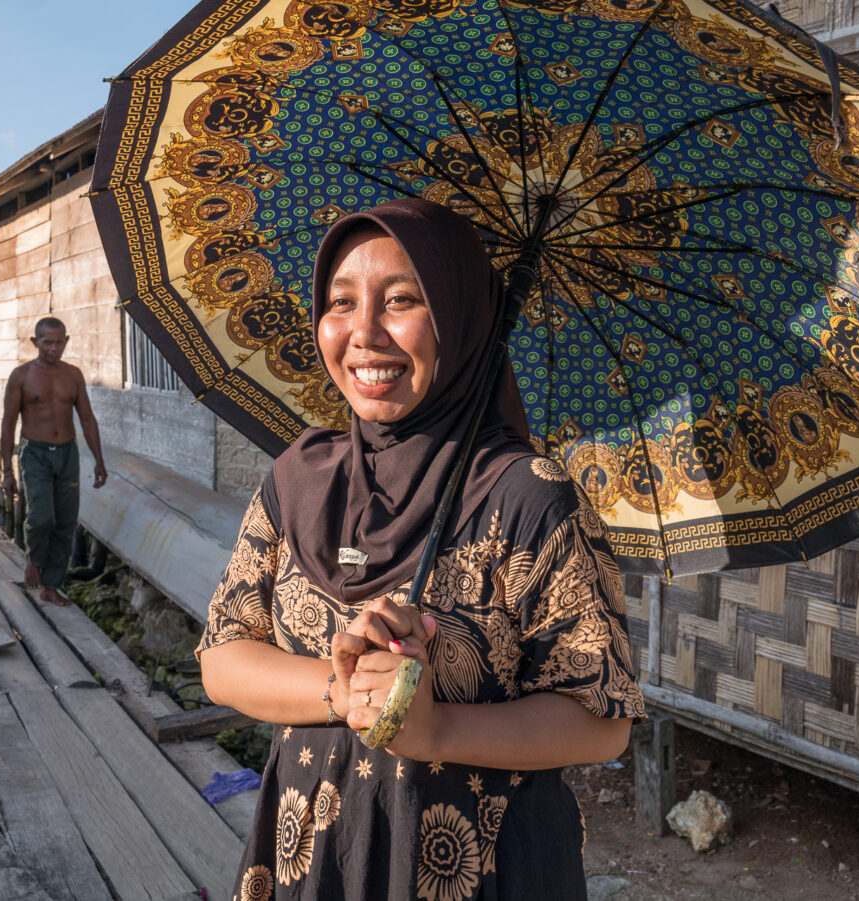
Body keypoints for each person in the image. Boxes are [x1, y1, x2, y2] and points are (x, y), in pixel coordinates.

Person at [198, 198, 644, 900]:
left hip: (483, 869)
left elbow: (602, 721)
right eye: (341, 302)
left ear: (460, 321)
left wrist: (435, 728)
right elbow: (223, 656)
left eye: (401, 300)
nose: (364, 334)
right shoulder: (298, 479)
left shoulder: (531, 497)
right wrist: (336, 688)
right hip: (316, 859)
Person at [0, 317, 108, 605]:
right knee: (40, 516)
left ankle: (52, 585)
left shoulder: (73, 375)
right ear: (35, 342)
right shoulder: (21, 376)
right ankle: (35, 560)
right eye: (47, 342)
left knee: (66, 522)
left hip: (67, 453)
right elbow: (8, 424)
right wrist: (6, 472)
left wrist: (99, 460)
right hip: (34, 452)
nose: (54, 348)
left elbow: (86, 418)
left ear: (66, 341)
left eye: (59, 342)